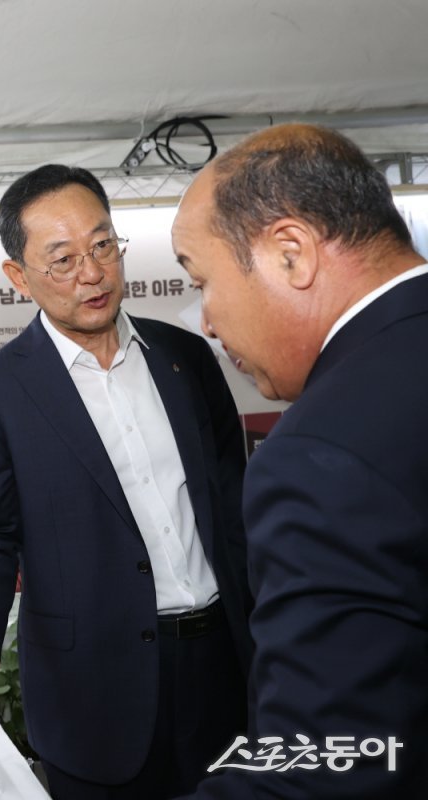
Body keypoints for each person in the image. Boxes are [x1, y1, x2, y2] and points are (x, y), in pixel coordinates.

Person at [0, 164, 254, 799]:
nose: (92, 272)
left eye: (103, 245)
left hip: (226, 665)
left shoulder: (185, 358)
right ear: (17, 275)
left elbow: (236, 502)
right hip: (96, 694)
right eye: (62, 259)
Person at [171, 123, 428, 798]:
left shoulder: (320, 456)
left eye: (204, 282)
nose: (207, 320)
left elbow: (329, 768)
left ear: (291, 253)